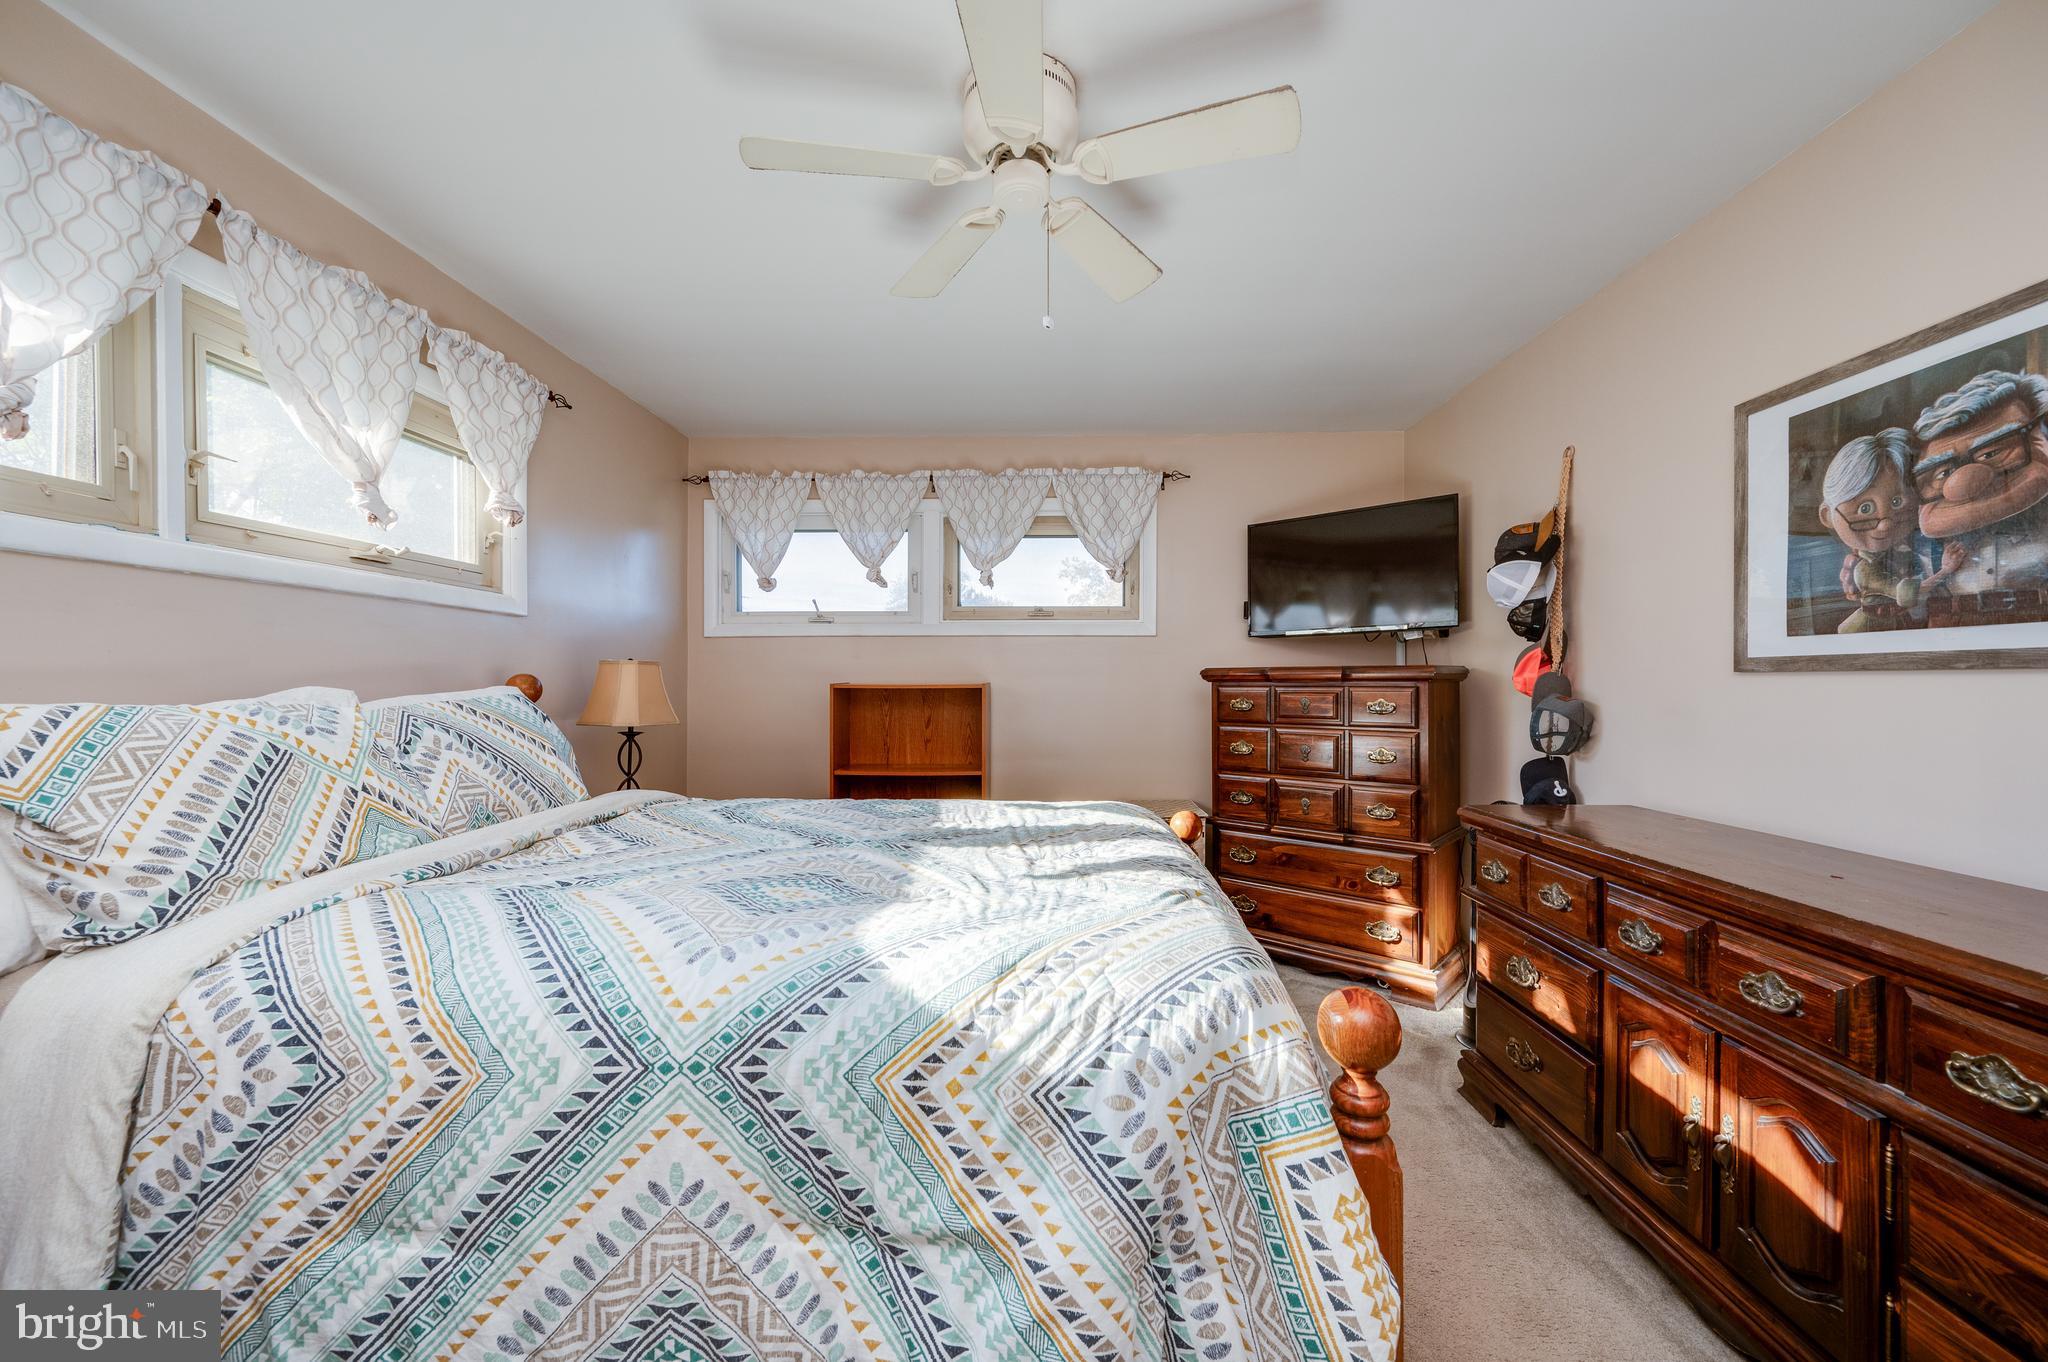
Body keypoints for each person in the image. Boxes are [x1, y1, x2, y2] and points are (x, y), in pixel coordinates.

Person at [1911, 369, 2048, 626]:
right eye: (1944, 471)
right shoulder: (1924, 545)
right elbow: (1911, 600)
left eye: (1991, 452)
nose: (1961, 486)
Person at [1817, 428, 1922, 633]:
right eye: (1865, 509)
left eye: (1896, 502)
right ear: (1827, 516)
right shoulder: (1864, 567)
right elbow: (1902, 591)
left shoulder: (1914, 549)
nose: (1885, 525)